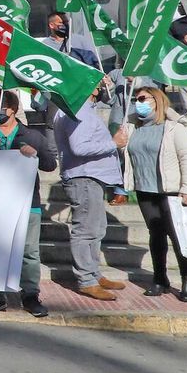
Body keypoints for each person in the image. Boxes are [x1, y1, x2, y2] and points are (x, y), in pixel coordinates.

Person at [0, 90, 53, 317]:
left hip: (27, 203)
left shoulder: (32, 136)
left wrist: (35, 154)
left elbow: (50, 165)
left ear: (13, 109)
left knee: (29, 252)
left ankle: (30, 295)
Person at [114, 86, 187, 301]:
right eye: (136, 99)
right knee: (156, 235)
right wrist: (119, 143)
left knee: (178, 236)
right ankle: (160, 278)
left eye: (143, 98)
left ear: (157, 100)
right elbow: (127, 154)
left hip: (170, 190)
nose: (138, 102)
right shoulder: (132, 127)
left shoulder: (175, 128)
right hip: (145, 189)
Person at [51, 82, 132, 302]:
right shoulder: (79, 110)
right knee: (87, 229)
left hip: (89, 178)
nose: (105, 86)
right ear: (92, 89)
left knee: (96, 228)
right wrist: (113, 143)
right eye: (99, 83)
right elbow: (80, 147)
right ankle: (86, 279)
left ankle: (93, 273)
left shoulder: (76, 109)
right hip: (84, 178)